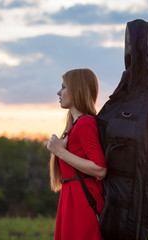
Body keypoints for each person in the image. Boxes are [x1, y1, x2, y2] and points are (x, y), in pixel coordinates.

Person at [47, 68, 107, 240]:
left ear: (77, 90)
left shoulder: (85, 123)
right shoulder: (74, 126)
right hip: (72, 197)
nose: (59, 92)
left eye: (64, 87)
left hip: (82, 199)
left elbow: (100, 169)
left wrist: (59, 151)